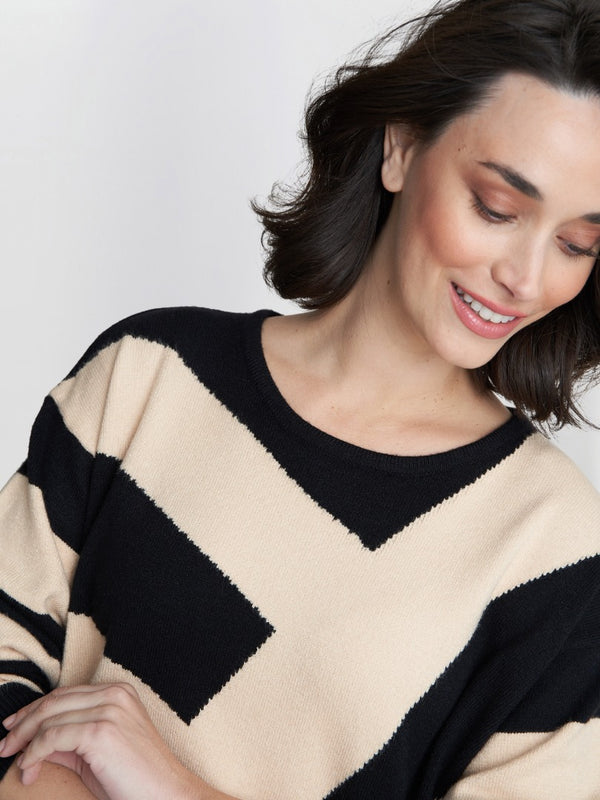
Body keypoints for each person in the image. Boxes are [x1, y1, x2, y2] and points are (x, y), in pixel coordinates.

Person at [0, 0, 599, 797]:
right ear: (401, 148)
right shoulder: (149, 377)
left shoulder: (556, 551)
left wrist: (172, 788)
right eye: (496, 208)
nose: (525, 277)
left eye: (576, 245)